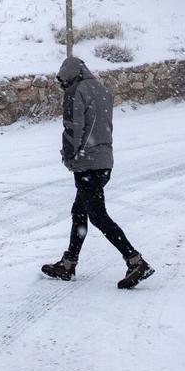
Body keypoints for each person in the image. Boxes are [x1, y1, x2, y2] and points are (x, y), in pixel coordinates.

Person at [41, 56, 154, 289]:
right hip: (104, 162)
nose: (63, 85)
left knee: (97, 215)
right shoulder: (101, 89)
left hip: (87, 163)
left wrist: (70, 155)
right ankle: (69, 263)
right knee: (80, 211)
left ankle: (135, 261)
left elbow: (73, 127)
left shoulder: (75, 91)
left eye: (63, 81)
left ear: (69, 76)